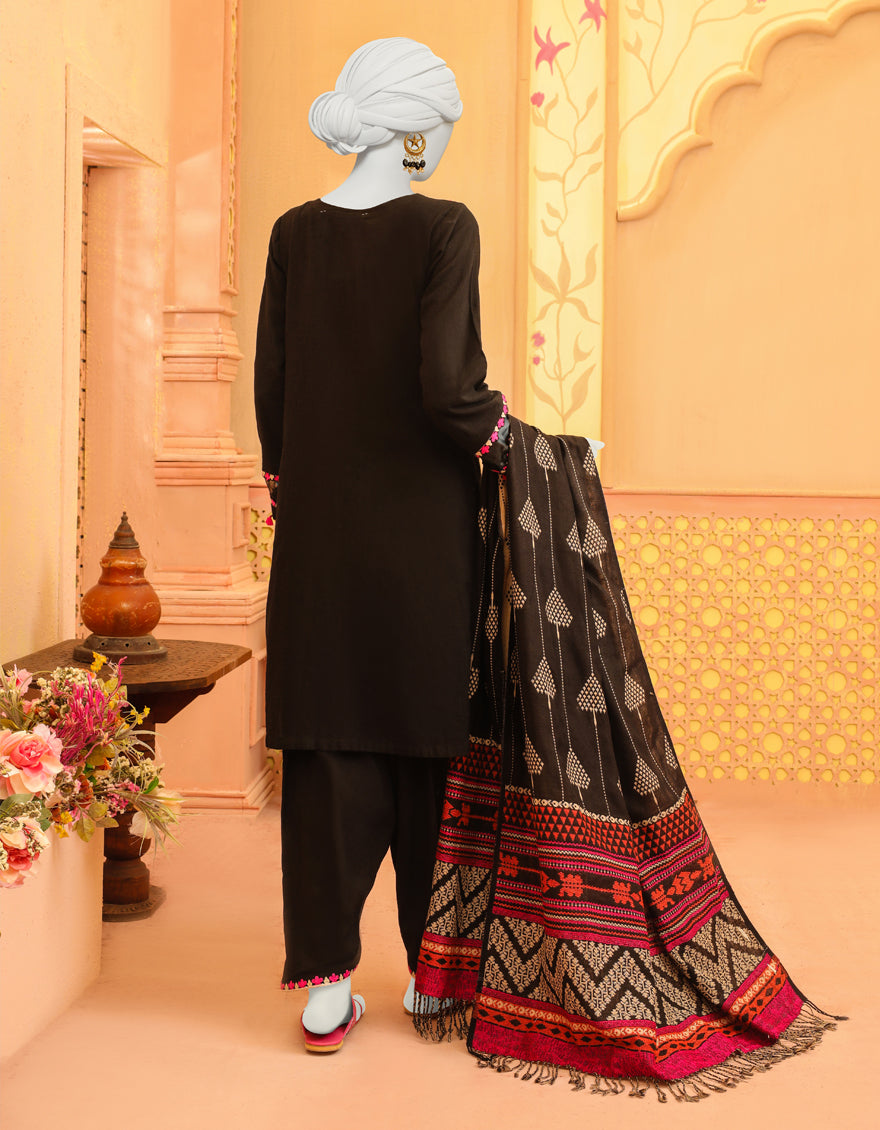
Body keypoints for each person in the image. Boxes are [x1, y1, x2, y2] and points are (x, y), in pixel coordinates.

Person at [254, 37, 508, 1053]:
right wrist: (515, 439)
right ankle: (431, 983)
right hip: (423, 537)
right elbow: (449, 389)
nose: (442, 146)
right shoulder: (445, 227)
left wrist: (293, 493)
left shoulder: (292, 233)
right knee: (425, 742)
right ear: (413, 129)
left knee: (325, 743)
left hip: (318, 535)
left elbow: (274, 391)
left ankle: (324, 990)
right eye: (441, 128)